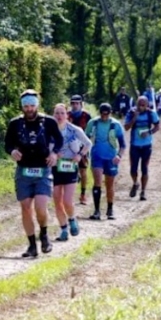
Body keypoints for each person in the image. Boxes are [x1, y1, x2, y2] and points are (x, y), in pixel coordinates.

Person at [5, 89, 63, 259]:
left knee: (40, 207)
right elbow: (7, 144)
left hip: (42, 169)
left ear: (37, 105)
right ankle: (31, 245)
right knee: (25, 208)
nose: (29, 109)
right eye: (26, 106)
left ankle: (44, 235)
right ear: (22, 107)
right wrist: (12, 151)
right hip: (23, 170)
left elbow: (59, 140)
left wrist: (54, 154)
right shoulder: (15, 123)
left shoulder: (49, 122)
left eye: (32, 105)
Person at [51, 103, 90, 241]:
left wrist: (79, 155)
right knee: (57, 200)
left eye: (62, 113)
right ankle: (63, 230)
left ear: (67, 115)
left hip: (70, 167)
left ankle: (72, 220)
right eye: (57, 113)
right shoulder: (49, 130)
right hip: (55, 168)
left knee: (67, 200)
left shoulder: (75, 129)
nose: (59, 116)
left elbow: (88, 143)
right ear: (53, 115)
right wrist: (52, 154)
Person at [86, 103, 126, 220]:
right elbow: (85, 138)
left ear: (110, 113)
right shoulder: (92, 123)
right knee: (97, 182)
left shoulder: (116, 125)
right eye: (102, 114)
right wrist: (83, 153)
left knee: (110, 184)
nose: (104, 117)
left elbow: (123, 144)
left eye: (106, 115)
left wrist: (119, 155)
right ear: (99, 113)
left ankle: (110, 209)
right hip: (96, 156)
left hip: (111, 157)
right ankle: (97, 211)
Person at [124, 96, 160, 201]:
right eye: (139, 104)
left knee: (145, 169)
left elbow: (157, 126)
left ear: (147, 105)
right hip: (134, 145)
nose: (141, 106)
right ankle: (135, 183)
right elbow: (126, 128)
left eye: (143, 104)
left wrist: (149, 132)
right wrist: (134, 118)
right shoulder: (131, 113)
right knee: (133, 169)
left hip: (146, 146)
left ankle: (143, 192)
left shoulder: (151, 113)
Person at [68, 95, 92, 205]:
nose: (75, 105)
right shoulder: (66, 115)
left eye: (77, 103)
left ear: (81, 104)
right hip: (68, 146)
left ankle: (83, 195)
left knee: (83, 170)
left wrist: (87, 144)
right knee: (67, 169)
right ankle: (68, 196)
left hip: (83, 146)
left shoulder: (86, 116)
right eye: (73, 103)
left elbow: (91, 132)